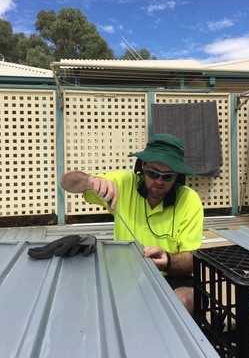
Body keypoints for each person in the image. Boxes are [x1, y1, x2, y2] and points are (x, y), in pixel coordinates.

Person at [60, 133, 204, 314]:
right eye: (153, 173)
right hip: (125, 275)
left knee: (188, 298)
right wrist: (90, 181)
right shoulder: (124, 184)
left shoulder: (189, 200)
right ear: (142, 166)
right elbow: (66, 182)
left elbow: (192, 260)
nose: (159, 181)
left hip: (170, 276)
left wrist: (168, 260)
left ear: (178, 176)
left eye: (168, 177)